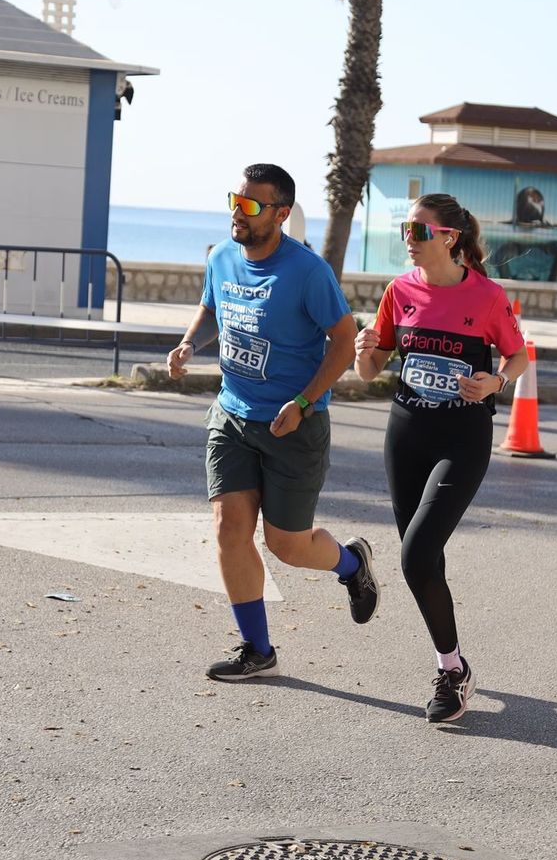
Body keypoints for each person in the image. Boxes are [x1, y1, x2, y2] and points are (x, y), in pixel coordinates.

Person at [168, 163, 377, 682]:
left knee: (288, 545)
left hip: (294, 426)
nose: (239, 213)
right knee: (229, 529)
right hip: (233, 415)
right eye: (234, 201)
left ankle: (351, 564)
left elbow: (344, 342)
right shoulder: (220, 257)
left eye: (252, 206)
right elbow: (212, 309)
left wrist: (304, 403)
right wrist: (191, 343)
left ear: (282, 214)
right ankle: (256, 649)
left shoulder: (307, 272)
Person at [353, 193, 527, 723]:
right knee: (424, 559)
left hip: (462, 438)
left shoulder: (488, 297)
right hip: (405, 434)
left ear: (450, 238)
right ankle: (451, 664)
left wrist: (496, 380)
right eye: (406, 229)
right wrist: (364, 353)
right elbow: (370, 369)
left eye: (420, 230)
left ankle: (452, 672)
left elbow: (518, 355)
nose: (410, 237)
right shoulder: (398, 290)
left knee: (414, 556)